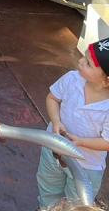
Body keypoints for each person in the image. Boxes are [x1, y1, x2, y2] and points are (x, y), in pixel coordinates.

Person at [36, 37, 109, 210]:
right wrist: (56, 121)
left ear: (107, 80)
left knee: (77, 203)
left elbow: (107, 142)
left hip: (86, 165)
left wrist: (80, 142)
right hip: (53, 151)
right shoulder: (72, 79)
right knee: (47, 190)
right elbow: (53, 98)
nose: (80, 61)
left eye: (88, 63)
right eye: (84, 57)